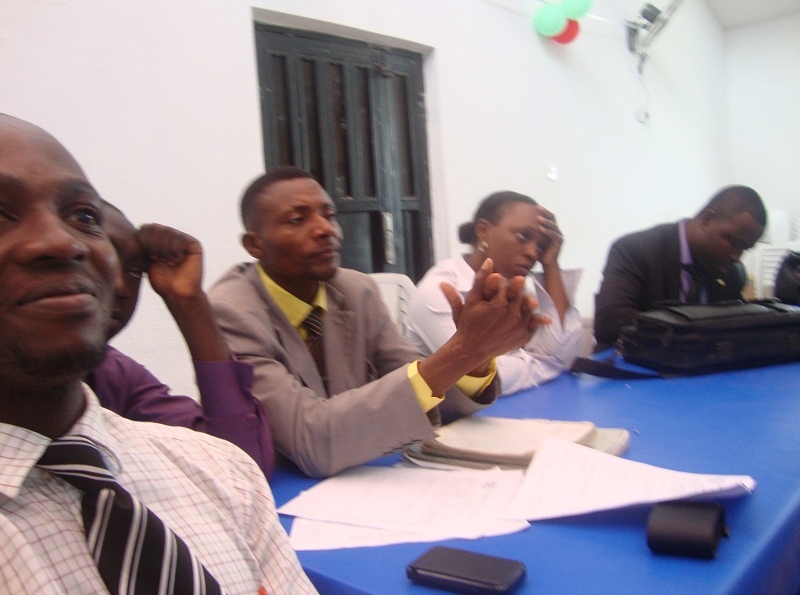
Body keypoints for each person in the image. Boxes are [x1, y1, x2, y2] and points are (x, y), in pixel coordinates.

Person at [0, 114, 315, 594]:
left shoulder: (208, 471)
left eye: (83, 217)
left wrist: (188, 302)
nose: (65, 243)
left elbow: (241, 457)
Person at [208, 166, 546, 478]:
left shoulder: (356, 291)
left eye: (329, 215)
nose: (325, 230)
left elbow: (427, 389)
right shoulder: (231, 312)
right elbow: (311, 440)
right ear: (254, 244)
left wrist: (478, 358)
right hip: (277, 494)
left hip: (361, 477)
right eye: (297, 220)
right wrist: (463, 351)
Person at [85, 202, 275, 477]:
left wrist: (188, 301)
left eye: (134, 270)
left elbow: (242, 463)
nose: (121, 287)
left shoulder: (114, 375)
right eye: (95, 261)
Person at [406, 191, 582, 396]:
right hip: (443, 414)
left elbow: (561, 351)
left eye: (541, 246)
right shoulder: (440, 290)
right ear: (483, 230)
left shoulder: (512, 288)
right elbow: (481, 378)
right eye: (523, 236)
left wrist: (551, 264)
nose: (533, 253)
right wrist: (545, 364)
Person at [594, 185, 767, 351]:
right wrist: (688, 334)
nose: (736, 257)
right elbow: (610, 322)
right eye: (734, 242)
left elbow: (735, 330)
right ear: (707, 219)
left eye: (745, 248)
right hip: (635, 365)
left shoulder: (731, 273)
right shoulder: (636, 250)